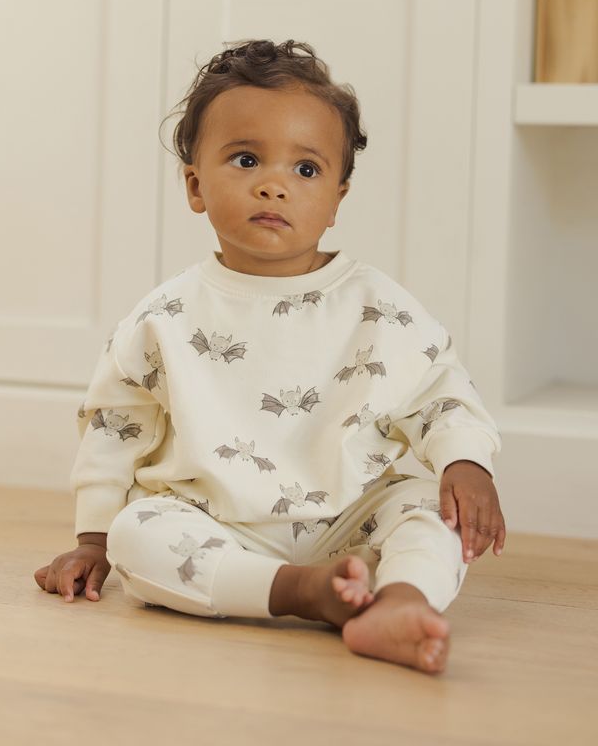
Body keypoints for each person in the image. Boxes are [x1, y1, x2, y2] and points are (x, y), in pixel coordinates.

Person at [34, 39, 506, 675]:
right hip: (216, 524)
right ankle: (301, 593)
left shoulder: (379, 306)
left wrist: (466, 461)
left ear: (337, 199)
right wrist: (93, 538)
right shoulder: (163, 317)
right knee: (136, 533)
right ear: (195, 185)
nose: (274, 185)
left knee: (428, 509)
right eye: (246, 159)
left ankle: (400, 600)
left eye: (306, 170)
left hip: (352, 519)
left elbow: (440, 390)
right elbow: (115, 426)